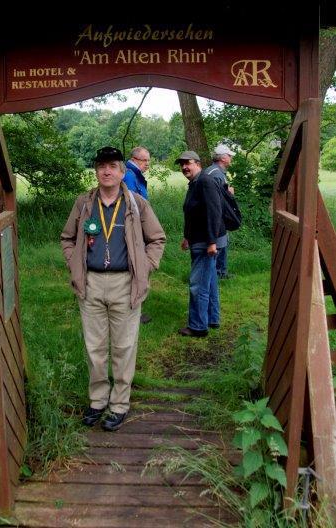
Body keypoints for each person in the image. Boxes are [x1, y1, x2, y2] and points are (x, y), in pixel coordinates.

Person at [61, 146, 165, 431]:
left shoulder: (136, 204)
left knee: (123, 347)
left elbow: (157, 238)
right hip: (91, 283)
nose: (106, 171)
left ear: (122, 171)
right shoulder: (84, 203)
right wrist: (74, 264)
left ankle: (119, 404)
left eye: (112, 166)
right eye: (101, 166)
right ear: (96, 171)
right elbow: (67, 238)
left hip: (125, 284)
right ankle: (97, 401)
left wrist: (145, 266)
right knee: (94, 347)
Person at [176, 150, 226, 337]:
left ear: (197, 163)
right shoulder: (195, 183)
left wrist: (211, 242)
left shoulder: (205, 181)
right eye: (181, 164)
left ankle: (198, 326)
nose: (184, 167)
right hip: (199, 239)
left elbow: (214, 212)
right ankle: (212, 318)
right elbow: (194, 213)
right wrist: (187, 237)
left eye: (187, 163)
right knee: (210, 282)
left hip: (206, 242)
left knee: (198, 285)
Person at [123, 146, 152, 324]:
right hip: (133, 229)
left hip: (138, 227)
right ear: (134, 159)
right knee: (134, 266)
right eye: (144, 160)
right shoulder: (129, 176)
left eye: (148, 160)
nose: (147, 164)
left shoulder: (134, 174)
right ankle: (131, 310)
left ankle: (133, 307)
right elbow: (131, 204)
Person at [204, 144, 236, 279]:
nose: (231, 158)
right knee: (219, 242)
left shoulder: (213, 171)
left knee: (222, 240)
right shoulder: (216, 174)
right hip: (215, 215)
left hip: (217, 214)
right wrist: (230, 193)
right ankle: (216, 274)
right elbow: (216, 198)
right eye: (229, 156)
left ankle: (221, 272)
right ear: (223, 158)